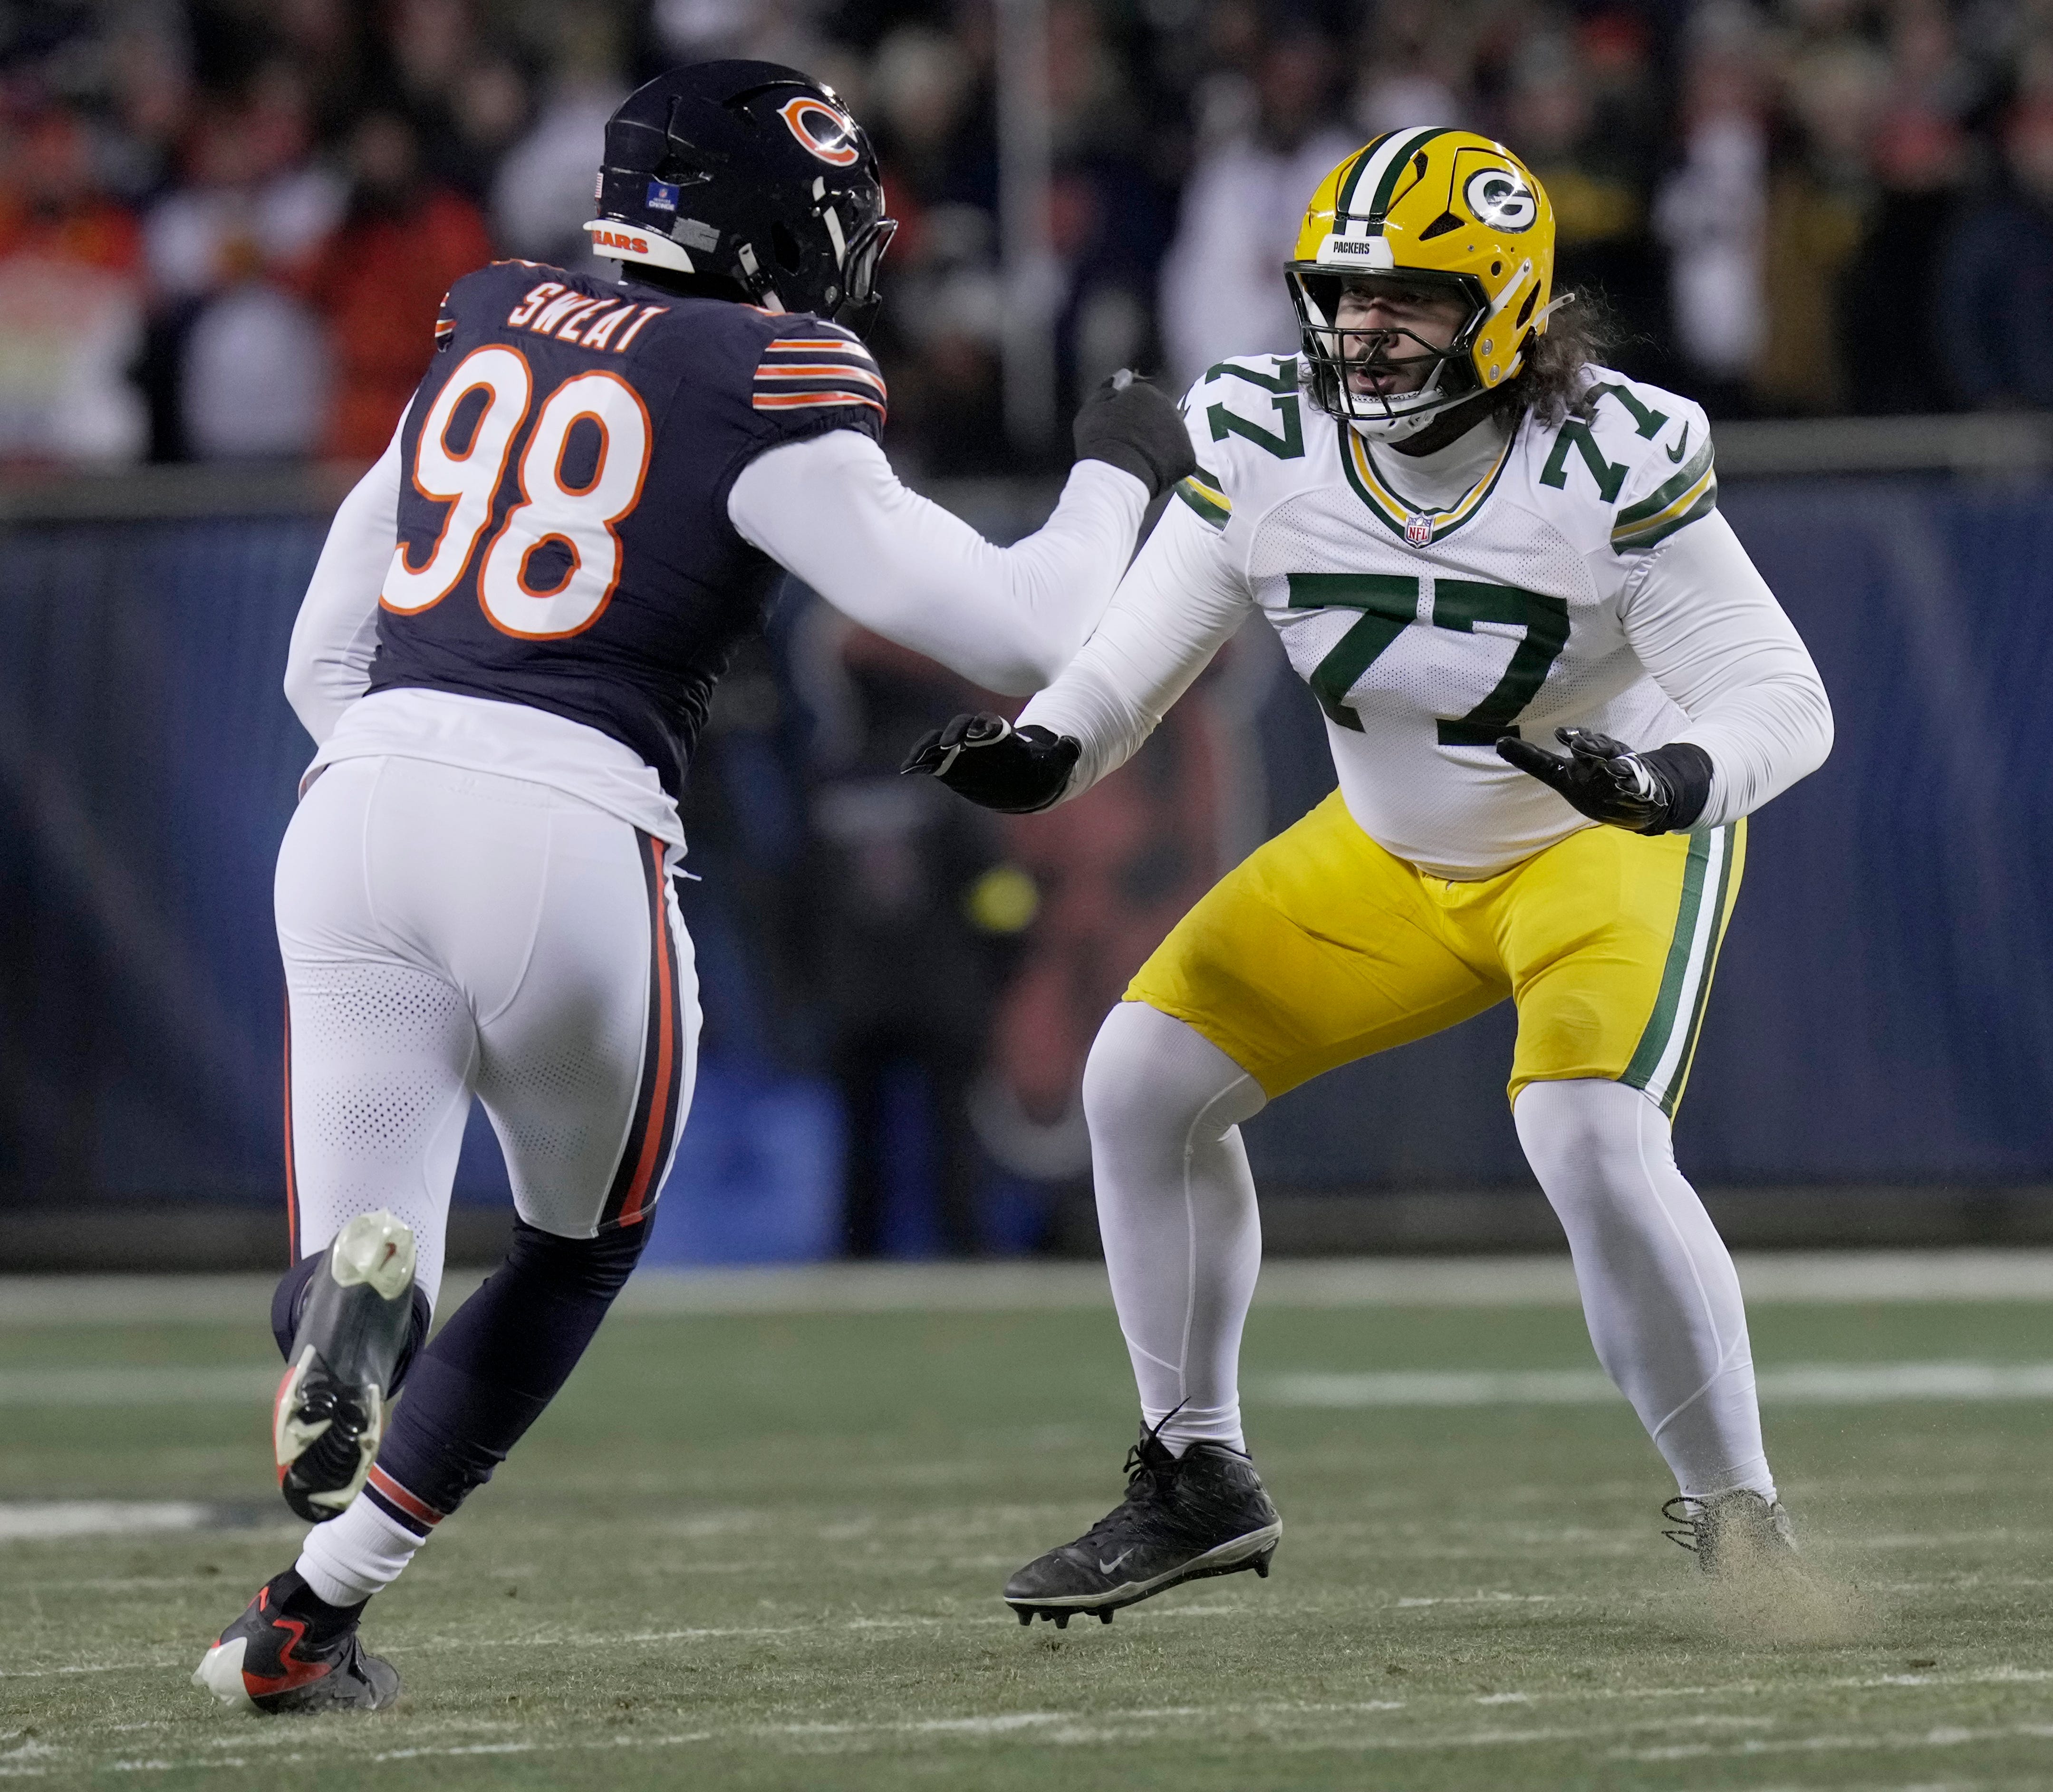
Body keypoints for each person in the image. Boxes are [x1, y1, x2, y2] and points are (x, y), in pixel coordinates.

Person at [192, 58, 1193, 1713]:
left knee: (360, 1259)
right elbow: (1026, 628)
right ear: (764, 226)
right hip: (572, 826)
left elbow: (320, 652)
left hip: (362, 802)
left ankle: (305, 1587)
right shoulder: (762, 373)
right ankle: (330, 1587)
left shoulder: (486, 322)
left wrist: (420, 774)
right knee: (573, 1248)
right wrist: (1121, 464)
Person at [906, 127, 1833, 1626]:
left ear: (1507, 308)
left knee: (1590, 1138)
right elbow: (1136, 659)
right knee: (1138, 1079)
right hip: (1389, 846)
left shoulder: (1603, 457)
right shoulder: (1264, 433)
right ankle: (1196, 1471)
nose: (1364, 329)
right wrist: (1047, 750)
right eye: (1344, 295)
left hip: (1592, 840)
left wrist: (1667, 782)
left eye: (1408, 298)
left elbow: (1784, 698)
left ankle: (1741, 1517)